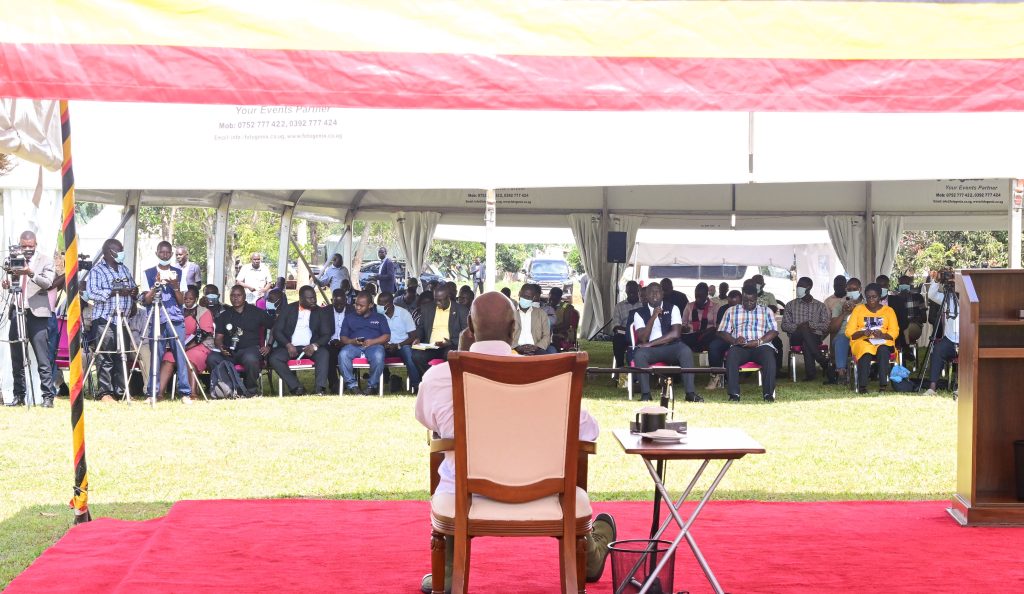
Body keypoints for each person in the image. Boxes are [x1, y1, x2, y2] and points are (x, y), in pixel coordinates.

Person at [413, 291, 615, 593]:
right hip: (546, 495)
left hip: (466, 497)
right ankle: (586, 556)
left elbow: (429, 423)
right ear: (514, 330)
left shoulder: (440, 377)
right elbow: (588, 434)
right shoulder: (553, 374)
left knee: (447, 459)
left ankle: (447, 573)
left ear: (469, 325)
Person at [2, 231, 56, 407]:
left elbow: (48, 283)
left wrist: (30, 272)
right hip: (17, 310)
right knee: (16, 356)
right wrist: (8, 283)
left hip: (37, 313)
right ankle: (19, 395)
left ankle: (48, 397)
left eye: (30, 246)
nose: (26, 250)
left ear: (36, 244)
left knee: (42, 357)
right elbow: (10, 279)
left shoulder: (46, 260)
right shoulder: (14, 258)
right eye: (23, 246)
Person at [631, 283, 702, 402]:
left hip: (671, 347)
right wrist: (653, 317)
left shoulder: (673, 308)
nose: (654, 295)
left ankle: (690, 393)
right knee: (639, 355)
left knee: (685, 351)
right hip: (651, 351)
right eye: (651, 292)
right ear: (646, 296)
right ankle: (646, 394)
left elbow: (675, 334)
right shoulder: (639, 313)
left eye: (657, 291)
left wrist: (650, 344)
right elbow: (643, 338)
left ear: (662, 294)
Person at [87, 238, 138, 402]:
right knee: (106, 355)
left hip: (123, 319)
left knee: (121, 355)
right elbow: (92, 292)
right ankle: (105, 393)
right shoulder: (97, 271)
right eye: (119, 250)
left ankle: (121, 391)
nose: (122, 253)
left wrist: (132, 291)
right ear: (109, 252)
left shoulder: (124, 268)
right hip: (105, 319)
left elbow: (131, 286)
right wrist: (114, 291)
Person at [140, 240, 191, 403]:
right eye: (162, 252)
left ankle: (185, 393)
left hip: (174, 318)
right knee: (156, 355)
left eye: (168, 252)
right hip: (156, 317)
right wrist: (155, 285)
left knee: (180, 355)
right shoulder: (148, 273)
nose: (165, 255)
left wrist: (175, 285)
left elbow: (182, 301)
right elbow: (145, 300)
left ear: (171, 254)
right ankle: (152, 393)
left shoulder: (178, 273)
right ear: (157, 253)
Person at [206, 285, 273, 395]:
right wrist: (221, 348)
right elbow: (218, 338)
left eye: (238, 295)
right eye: (232, 295)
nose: (235, 298)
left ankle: (250, 389)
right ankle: (228, 387)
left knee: (251, 359)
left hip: (250, 349)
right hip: (229, 351)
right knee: (212, 358)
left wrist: (269, 345)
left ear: (245, 296)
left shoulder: (256, 312)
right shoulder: (224, 315)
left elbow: (275, 326)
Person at [717, 285, 779, 402]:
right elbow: (721, 332)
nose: (749, 303)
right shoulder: (731, 311)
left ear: (757, 298)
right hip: (740, 346)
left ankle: (768, 394)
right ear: (742, 297)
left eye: (752, 300)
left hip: (761, 345)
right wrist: (734, 340)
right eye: (746, 301)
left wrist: (759, 341)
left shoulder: (766, 311)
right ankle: (734, 394)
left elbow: (774, 331)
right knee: (732, 355)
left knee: (769, 357)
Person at [269, 285, 333, 395]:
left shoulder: (320, 312)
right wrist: (288, 345)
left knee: (324, 354)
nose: (314, 300)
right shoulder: (288, 309)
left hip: (311, 347)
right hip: (290, 347)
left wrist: (314, 346)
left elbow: (326, 334)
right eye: (310, 298)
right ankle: (296, 387)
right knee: (274, 358)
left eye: (314, 297)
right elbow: (277, 331)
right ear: (301, 298)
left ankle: (320, 388)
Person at [154, 288, 214, 399]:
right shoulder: (177, 311)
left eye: (190, 298)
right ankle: (159, 393)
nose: (187, 300)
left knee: (190, 358)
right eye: (185, 298)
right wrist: (179, 347)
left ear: (196, 298)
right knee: (168, 357)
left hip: (199, 345)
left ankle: (192, 393)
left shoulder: (204, 311)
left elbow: (204, 334)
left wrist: (184, 347)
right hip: (179, 343)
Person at [845, 283, 898, 394]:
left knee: (883, 349)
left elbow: (894, 331)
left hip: (882, 341)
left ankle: (883, 385)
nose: (871, 300)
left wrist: (883, 335)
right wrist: (862, 332)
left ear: (880, 297)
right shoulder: (858, 310)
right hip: (863, 341)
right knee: (865, 350)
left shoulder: (889, 311)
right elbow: (849, 332)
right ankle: (862, 386)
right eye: (868, 297)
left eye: (874, 297)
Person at [781, 277, 836, 383]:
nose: (798, 288)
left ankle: (811, 375)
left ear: (809, 287)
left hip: (815, 337)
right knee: (804, 330)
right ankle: (822, 360)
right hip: (795, 336)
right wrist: (798, 327)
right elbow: (784, 325)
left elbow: (826, 326)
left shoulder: (820, 306)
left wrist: (810, 325)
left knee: (807, 339)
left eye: (801, 286)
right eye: (797, 286)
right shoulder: (790, 305)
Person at [338, 291, 391, 394]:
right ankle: (352, 386)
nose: (357, 307)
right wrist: (352, 341)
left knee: (379, 355)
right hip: (354, 346)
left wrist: (372, 342)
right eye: (356, 304)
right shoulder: (349, 317)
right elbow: (343, 337)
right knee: (343, 354)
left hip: (374, 346)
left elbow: (387, 336)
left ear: (370, 305)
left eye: (361, 305)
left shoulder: (379, 317)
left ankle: (371, 386)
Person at [411, 285, 468, 375]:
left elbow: (466, 333)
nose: (437, 302)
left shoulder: (461, 310)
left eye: (440, 300)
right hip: (431, 346)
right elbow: (421, 327)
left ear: (448, 298)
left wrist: (451, 342)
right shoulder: (427, 308)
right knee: (416, 356)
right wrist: (418, 338)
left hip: (450, 345)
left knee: (449, 355)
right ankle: (431, 378)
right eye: (435, 299)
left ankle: (447, 381)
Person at [377, 291, 421, 392]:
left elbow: (413, 336)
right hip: (383, 346)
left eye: (381, 304)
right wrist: (384, 344)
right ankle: (375, 386)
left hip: (402, 346)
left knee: (409, 353)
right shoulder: (377, 315)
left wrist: (398, 345)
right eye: (378, 304)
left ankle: (416, 386)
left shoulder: (404, 314)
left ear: (390, 304)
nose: (378, 306)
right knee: (376, 352)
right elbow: (374, 334)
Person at [924, 271, 959, 396]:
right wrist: (937, 280)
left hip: (966, 339)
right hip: (950, 340)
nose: (952, 286)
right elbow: (932, 295)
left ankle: (961, 387)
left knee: (968, 355)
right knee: (937, 350)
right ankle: (932, 388)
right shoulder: (947, 298)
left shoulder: (969, 298)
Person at [706, 290, 742, 390]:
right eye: (730, 304)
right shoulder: (723, 309)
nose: (732, 308)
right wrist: (730, 337)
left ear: (741, 301)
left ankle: (738, 376)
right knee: (713, 346)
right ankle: (715, 375)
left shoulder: (746, 309)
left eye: (736, 305)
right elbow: (719, 329)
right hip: (726, 337)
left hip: (743, 338)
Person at [830, 277, 864, 382]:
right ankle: (841, 373)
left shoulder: (866, 305)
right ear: (846, 290)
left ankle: (865, 371)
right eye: (849, 289)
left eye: (854, 289)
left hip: (861, 333)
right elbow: (833, 328)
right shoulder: (839, 305)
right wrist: (844, 312)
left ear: (860, 289)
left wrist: (856, 310)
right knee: (841, 340)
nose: (851, 291)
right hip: (843, 334)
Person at [890, 275, 927, 366]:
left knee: (906, 326)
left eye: (906, 284)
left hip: (914, 327)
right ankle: (906, 350)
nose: (904, 286)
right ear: (898, 285)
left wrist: (914, 318)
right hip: (899, 328)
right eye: (901, 284)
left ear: (911, 285)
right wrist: (900, 300)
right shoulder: (893, 299)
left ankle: (906, 349)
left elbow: (924, 319)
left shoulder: (918, 297)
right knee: (901, 327)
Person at [512, 284, 554, 355]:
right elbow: (503, 335)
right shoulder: (509, 313)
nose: (526, 299)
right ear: (519, 294)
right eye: (524, 296)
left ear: (533, 298)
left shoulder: (541, 314)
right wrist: (517, 347)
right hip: (514, 349)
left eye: (529, 297)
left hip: (536, 349)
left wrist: (537, 347)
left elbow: (547, 335)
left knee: (546, 361)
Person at [326, 288, 354, 393]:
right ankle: (334, 384)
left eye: (342, 304)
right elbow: (321, 331)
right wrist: (330, 341)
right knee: (327, 355)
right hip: (330, 343)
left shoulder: (353, 311)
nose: (339, 306)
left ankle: (348, 382)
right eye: (336, 304)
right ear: (331, 300)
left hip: (348, 343)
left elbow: (356, 330)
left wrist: (345, 342)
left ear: (346, 301)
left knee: (347, 354)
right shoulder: (325, 311)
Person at [679, 282, 718, 354]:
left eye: (701, 296)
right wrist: (684, 328)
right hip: (691, 334)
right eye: (696, 296)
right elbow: (683, 323)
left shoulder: (715, 307)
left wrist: (703, 333)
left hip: (707, 335)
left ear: (706, 294)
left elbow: (716, 326)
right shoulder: (689, 306)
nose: (698, 299)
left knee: (707, 339)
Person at [611, 281, 641, 370]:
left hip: (641, 334)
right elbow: (616, 326)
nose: (631, 293)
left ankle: (643, 368)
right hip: (624, 334)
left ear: (638, 291)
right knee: (617, 339)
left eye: (633, 291)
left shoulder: (643, 304)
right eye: (629, 291)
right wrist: (629, 331)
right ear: (626, 291)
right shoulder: (619, 306)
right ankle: (620, 368)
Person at [548, 287, 578, 352]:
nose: (552, 300)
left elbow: (566, 324)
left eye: (555, 297)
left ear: (560, 297)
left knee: (554, 338)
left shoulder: (566, 307)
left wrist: (553, 329)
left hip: (562, 331)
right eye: (551, 296)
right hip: (548, 331)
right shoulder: (546, 306)